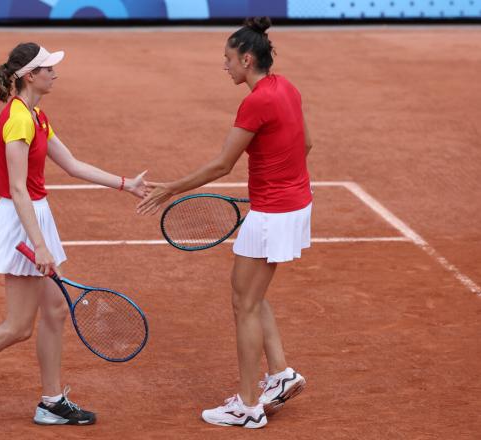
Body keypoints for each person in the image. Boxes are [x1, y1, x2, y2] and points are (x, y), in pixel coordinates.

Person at [0, 42, 147, 433]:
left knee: (55, 311)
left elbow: (72, 165)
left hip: (37, 215)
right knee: (18, 326)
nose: (55, 73)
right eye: (48, 69)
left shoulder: (36, 115)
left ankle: (52, 402)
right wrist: (39, 244)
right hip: (22, 221)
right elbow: (18, 190)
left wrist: (125, 184)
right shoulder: (18, 120)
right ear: (29, 76)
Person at [137, 17, 312, 429]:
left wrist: (171, 189)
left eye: (228, 59)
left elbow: (222, 163)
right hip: (293, 204)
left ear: (247, 59)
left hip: (273, 211)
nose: (225, 66)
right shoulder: (286, 86)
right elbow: (305, 144)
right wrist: (275, 183)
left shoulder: (255, 101)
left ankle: (248, 406)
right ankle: (282, 375)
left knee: (243, 304)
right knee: (251, 294)